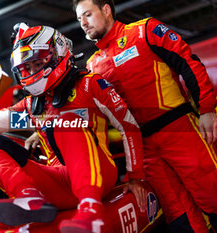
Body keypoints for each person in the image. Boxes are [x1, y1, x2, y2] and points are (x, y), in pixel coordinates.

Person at [0, 23, 147, 232]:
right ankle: (29, 197)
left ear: (58, 54)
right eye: (26, 68)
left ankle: (91, 210)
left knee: (64, 122)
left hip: (100, 175)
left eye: (36, 63)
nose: (31, 71)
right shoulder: (31, 106)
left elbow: (128, 126)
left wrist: (136, 177)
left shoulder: (90, 85)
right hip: (57, 182)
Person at [73, 0, 217, 232]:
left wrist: (207, 109)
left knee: (212, 194)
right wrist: (43, 128)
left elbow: (188, 62)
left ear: (106, 9)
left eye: (88, 15)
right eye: (80, 19)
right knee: (179, 215)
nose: (84, 23)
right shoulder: (92, 66)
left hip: (179, 128)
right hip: (144, 149)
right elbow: (88, 111)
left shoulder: (145, 30)